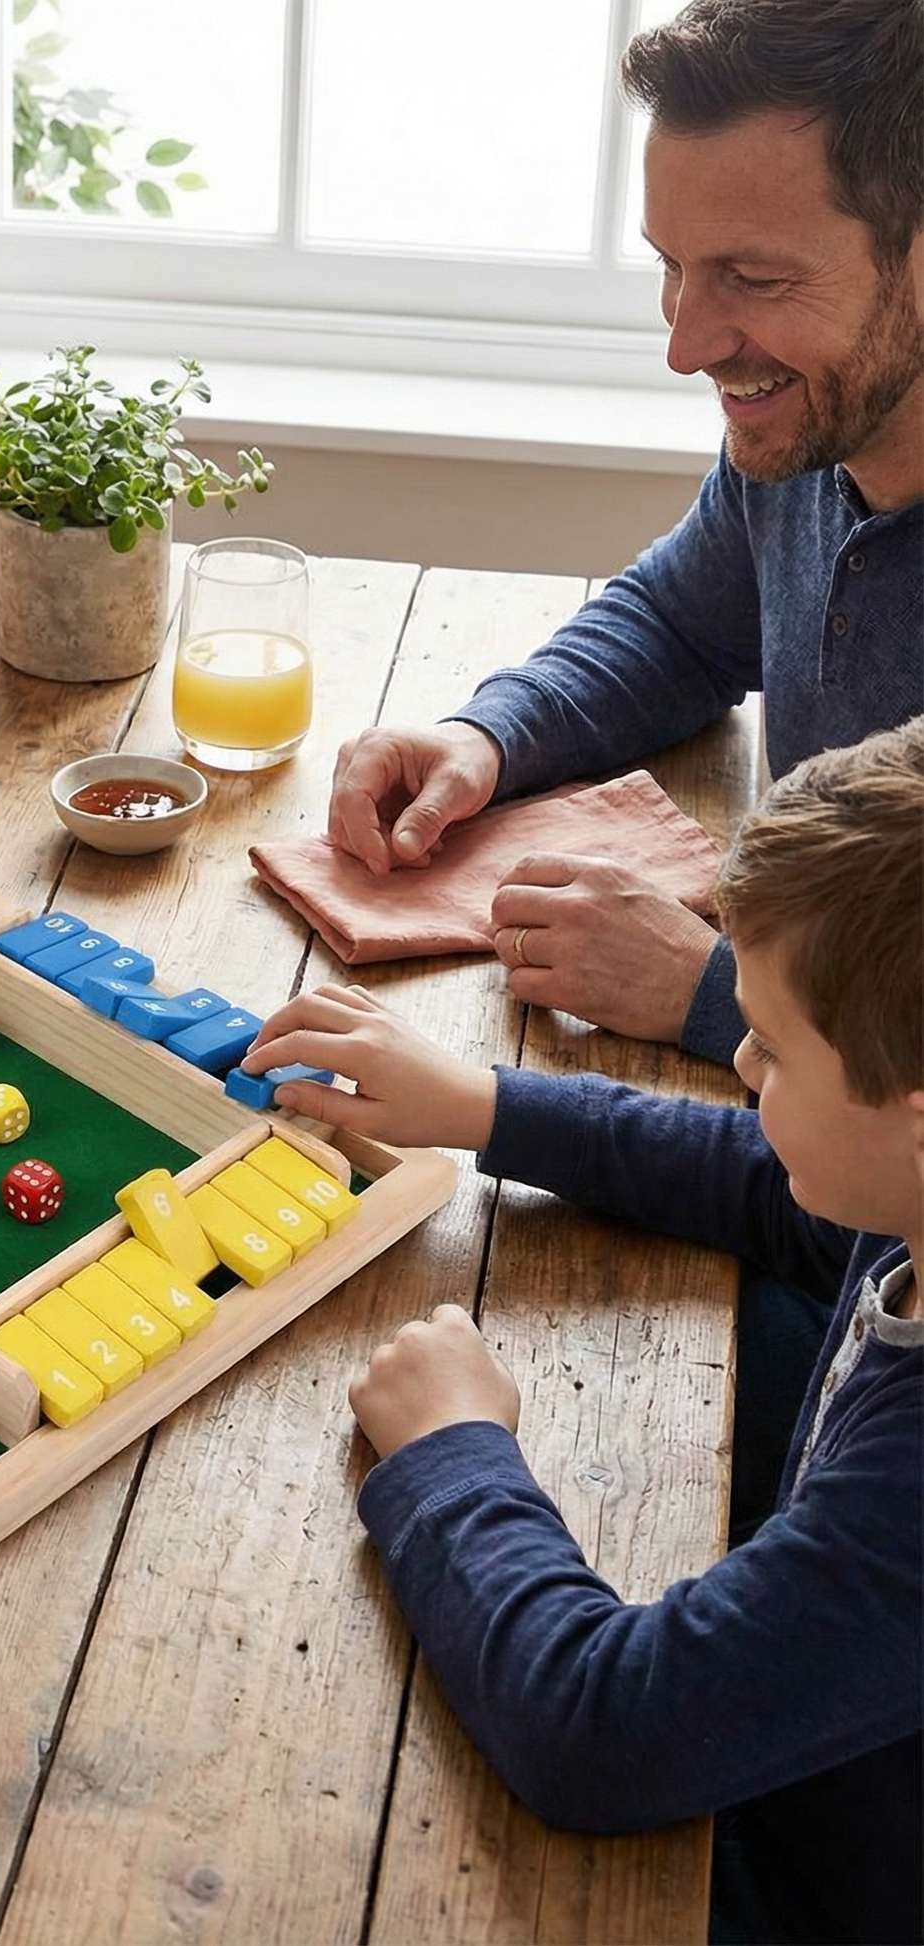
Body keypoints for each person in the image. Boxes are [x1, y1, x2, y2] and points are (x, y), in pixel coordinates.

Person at [244, 719, 923, 1946]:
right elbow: (781, 1181)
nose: (740, 1056)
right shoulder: (900, 1193)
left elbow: (601, 1729)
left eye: (763, 1041)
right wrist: (489, 1104)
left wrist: (453, 1451)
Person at [327, 0, 921, 1062]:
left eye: (751, 277)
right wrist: (489, 735)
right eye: (669, 265)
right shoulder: (807, 434)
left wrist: (712, 993)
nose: (685, 346)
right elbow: (678, 625)